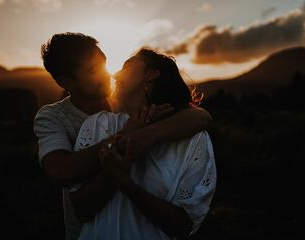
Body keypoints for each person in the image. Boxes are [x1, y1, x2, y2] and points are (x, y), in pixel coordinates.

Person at [33, 32, 212, 240]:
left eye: (104, 64)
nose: (107, 74)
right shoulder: (53, 116)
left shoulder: (121, 104)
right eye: (92, 70)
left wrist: (144, 136)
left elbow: (201, 117)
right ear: (67, 82)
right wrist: (128, 134)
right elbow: (61, 171)